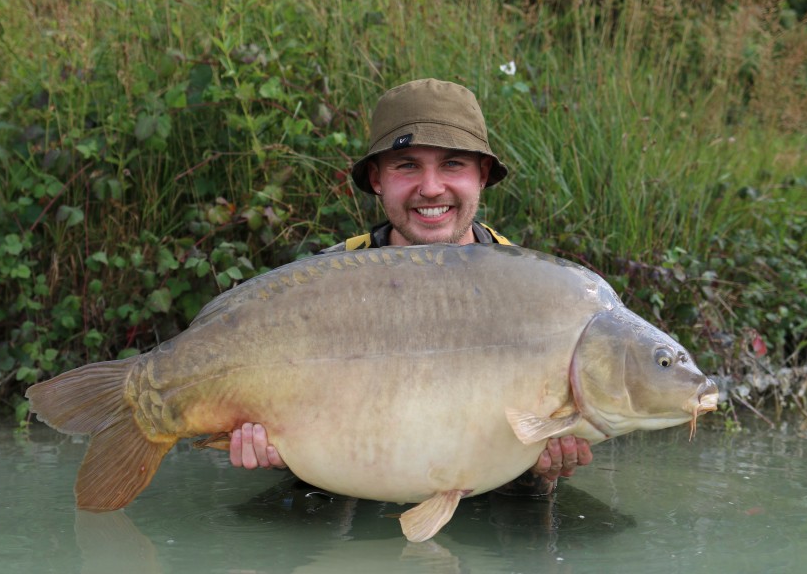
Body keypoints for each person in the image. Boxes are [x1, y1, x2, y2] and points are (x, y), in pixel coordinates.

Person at [229, 78, 593, 495]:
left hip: (492, 490)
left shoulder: (539, 291)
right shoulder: (323, 282)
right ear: (377, 178)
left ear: (482, 175)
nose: (431, 187)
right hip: (349, 483)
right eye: (407, 165)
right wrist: (277, 452)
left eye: (453, 164)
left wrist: (540, 469)